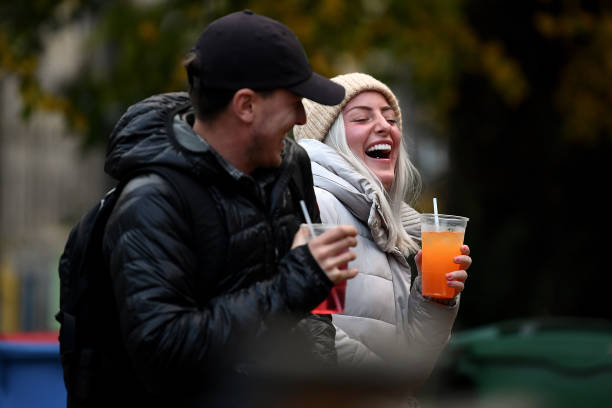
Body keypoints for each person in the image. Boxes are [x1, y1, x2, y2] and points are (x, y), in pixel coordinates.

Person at [77, 10, 359, 407]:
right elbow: (164, 356)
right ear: (246, 106)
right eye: (294, 102)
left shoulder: (290, 168)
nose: (301, 118)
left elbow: (313, 311)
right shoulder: (152, 203)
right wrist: (294, 282)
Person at [294, 73, 472, 389]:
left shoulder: (384, 227)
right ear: (330, 137)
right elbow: (306, 332)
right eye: (362, 117)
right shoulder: (316, 205)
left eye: (390, 118)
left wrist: (435, 301)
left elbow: (413, 366)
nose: (385, 126)